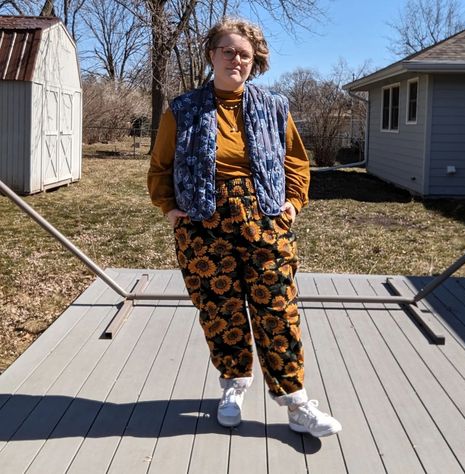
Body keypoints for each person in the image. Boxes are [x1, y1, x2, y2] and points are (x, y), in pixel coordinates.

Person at [148, 17, 341, 438]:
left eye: (245, 55)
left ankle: (295, 402)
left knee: (278, 310)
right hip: (202, 223)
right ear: (211, 55)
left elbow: (296, 161)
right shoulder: (182, 109)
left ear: (255, 62)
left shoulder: (274, 106)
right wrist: (169, 210)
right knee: (220, 309)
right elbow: (161, 167)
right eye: (228, 51)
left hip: (265, 219)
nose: (236, 59)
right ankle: (233, 385)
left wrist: (292, 204)